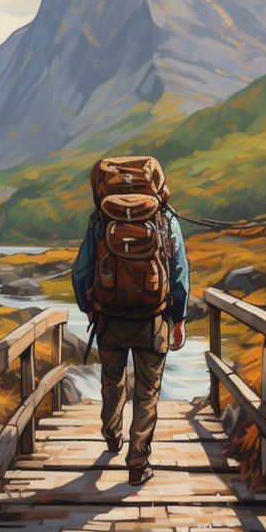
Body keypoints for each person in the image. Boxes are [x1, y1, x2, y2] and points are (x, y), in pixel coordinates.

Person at [71, 165, 190, 486]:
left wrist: (90, 309)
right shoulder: (165, 220)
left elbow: (81, 271)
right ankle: (138, 462)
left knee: (112, 380)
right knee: (147, 392)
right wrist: (178, 318)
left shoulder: (101, 221)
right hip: (153, 319)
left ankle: (112, 434)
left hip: (109, 317)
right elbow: (178, 272)